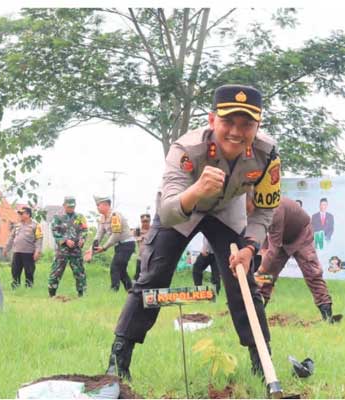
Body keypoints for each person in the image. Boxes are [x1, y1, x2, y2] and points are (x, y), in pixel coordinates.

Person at [105, 84, 280, 382]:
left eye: (247, 124)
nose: (237, 132)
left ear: (258, 125)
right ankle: (118, 359)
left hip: (227, 211)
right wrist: (197, 189)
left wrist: (250, 249)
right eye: (228, 122)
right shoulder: (186, 149)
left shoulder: (266, 153)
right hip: (183, 206)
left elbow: (265, 210)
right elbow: (169, 211)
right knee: (153, 277)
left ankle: (261, 363)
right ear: (212, 121)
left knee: (242, 281)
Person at [255, 196, 335, 321]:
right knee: (268, 275)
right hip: (281, 238)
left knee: (313, 273)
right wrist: (263, 269)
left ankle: (327, 315)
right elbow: (266, 239)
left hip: (302, 235)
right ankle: (257, 312)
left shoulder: (275, 208)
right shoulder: (256, 210)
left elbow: (273, 249)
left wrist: (259, 271)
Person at [88, 196, 135, 292]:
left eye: (98, 205)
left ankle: (114, 290)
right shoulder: (102, 218)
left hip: (127, 244)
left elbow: (116, 235)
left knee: (115, 267)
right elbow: (99, 234)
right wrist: (91, 249)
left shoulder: (115, 216)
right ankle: (131, 290)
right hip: (119, 246)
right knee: (121, 270)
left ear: (106, 205)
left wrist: (104, 248)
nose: (97, 207)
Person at [49, 196, 88, 297]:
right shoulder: (58, 217)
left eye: (73, 207)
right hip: (62, 250)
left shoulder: (80, 217)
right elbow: (55, 231)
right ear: (64, 205)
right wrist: (65, 240)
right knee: (56, 271)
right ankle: (52, 293)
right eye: (69, 206)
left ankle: (81, 293)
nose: (71, 208)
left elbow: (84, 230)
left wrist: (82, 239)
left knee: (79, 272)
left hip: (76, 250)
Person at [4, 206, 43, 288]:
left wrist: (37, 251)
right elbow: (11, 237)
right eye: (19, 213)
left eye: (22, 213)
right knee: (15, 270)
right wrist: (6, 248)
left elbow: (39, 239)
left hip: (28, 253)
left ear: (28, 214)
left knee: (29, 271)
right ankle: (15, 286)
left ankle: (29, 286)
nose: (20, 215)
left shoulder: (35, 226)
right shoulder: (17, 225)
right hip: (17, 252)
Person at [133, 213, 151, 281]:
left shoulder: (153, 230)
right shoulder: (138, 231)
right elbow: (134, 238)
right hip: (141, 255)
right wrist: (139, 237)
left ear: (149, 221)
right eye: (144, 222)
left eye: (147, 221)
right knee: (138, 273)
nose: (145, 223)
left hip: (151, 255)